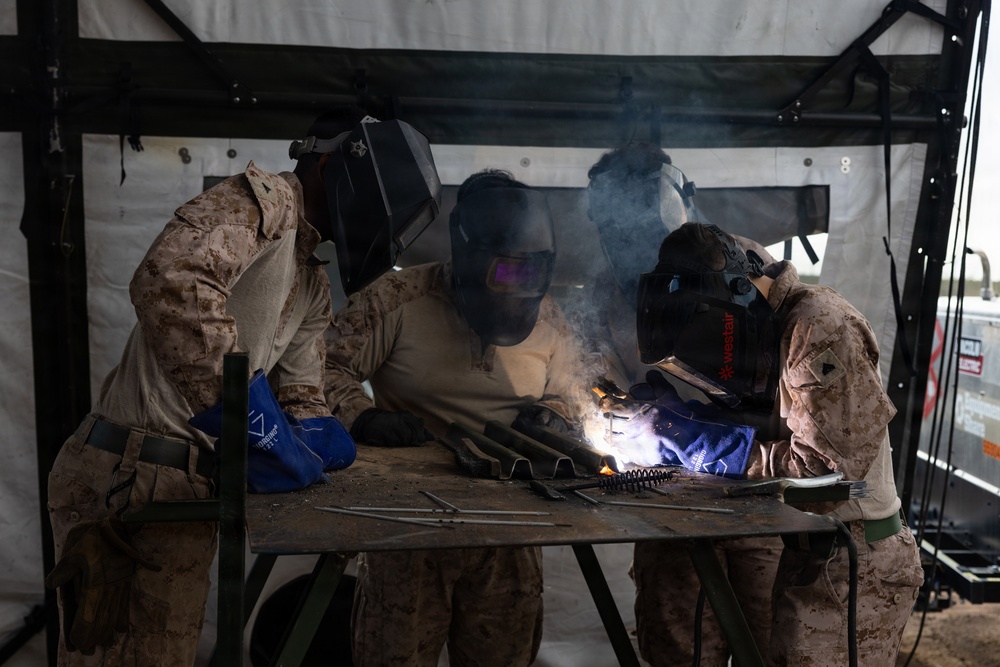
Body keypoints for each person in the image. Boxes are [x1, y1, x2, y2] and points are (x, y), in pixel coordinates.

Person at [44, 107, 441, 666]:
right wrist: (247, 415)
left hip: (185, 482)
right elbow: (170, 282)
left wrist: (323, 433)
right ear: (331, 167)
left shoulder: (311, 281)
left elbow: (302, 394)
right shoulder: (266, 201)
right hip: (132, 478)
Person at [606, 221, 923, 665]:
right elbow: (779, 427)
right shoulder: (769, 329)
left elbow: (826, 476)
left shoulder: (819, 326)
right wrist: (682, 417)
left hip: (853, 561)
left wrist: (697, 442)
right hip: (808, 550)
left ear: (740, 292)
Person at [323, 169, 582, 666]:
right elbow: (320, 368)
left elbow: (572, 392)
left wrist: (551, 415)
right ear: (468, 253)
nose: (515, 285)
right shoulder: (396, 297)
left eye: (527, 272)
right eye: (503, 271)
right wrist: (362, 417)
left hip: (512, 525)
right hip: (410, 523)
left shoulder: (548, 316)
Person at [583, 143, 782, 667]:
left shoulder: (749, 269)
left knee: (776, 648)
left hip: (764, 497)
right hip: (673, 503)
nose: (631, 248)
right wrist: (623, 412)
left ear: (680, 209)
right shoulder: (606, 293)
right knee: (679, 652)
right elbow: (599, 382)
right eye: (616, 234)